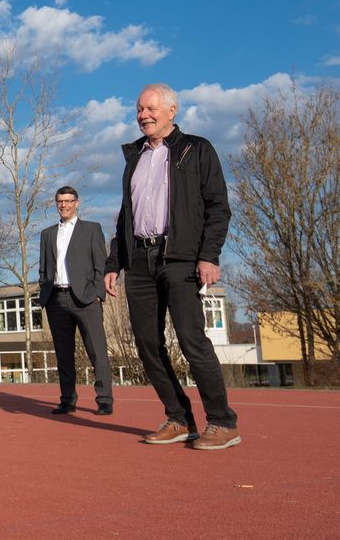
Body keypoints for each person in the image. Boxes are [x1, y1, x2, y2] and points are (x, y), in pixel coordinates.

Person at [104, 83, 240, 450]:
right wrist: (115, 261)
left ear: (171, 110)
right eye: (138, 109)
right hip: (140, 260)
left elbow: (218, 207)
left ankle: (223, 422)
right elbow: (125, 217)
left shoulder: (197, 149)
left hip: (180, 258)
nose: (142, 115)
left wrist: (209, 255)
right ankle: (179, 418)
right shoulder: (134, 157)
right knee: (147, 345)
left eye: (149, 108)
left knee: (191, 339)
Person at [38, 186, 113, 416]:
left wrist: (98, 293)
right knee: (63, 354)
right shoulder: (47, 234)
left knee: (97, 351)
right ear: (56, 203)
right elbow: (44, 268)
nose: (64, 205)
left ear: (77, 203)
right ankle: (67, 399)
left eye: (69, 201)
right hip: (56, 300)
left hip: (86, 299)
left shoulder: (91, 229)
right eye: (60, 201)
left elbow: (101, 264)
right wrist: (45, 291)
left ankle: (104, 400)